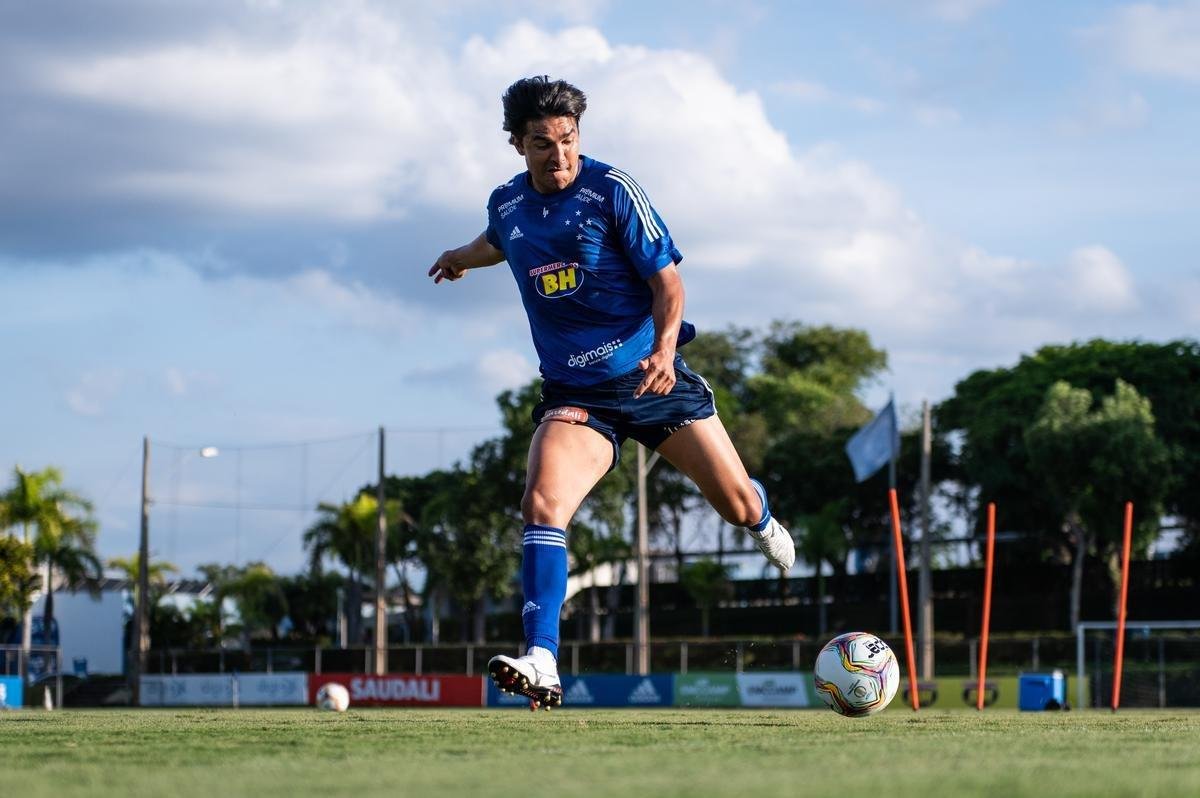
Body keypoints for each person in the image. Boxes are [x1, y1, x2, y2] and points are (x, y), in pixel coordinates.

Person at [429, 76, 795, 711]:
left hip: (653, 379)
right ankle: (542, 658)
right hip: (577, 393)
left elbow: (669, 283)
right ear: (518, 144)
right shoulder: (508, 204)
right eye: (543, 143)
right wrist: (459, 256)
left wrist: (663, 348)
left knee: (735, 506)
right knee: (542, 504)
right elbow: (497, 241)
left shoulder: (612, 190)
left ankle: (760, 513)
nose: (559, 155)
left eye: (568, 140)